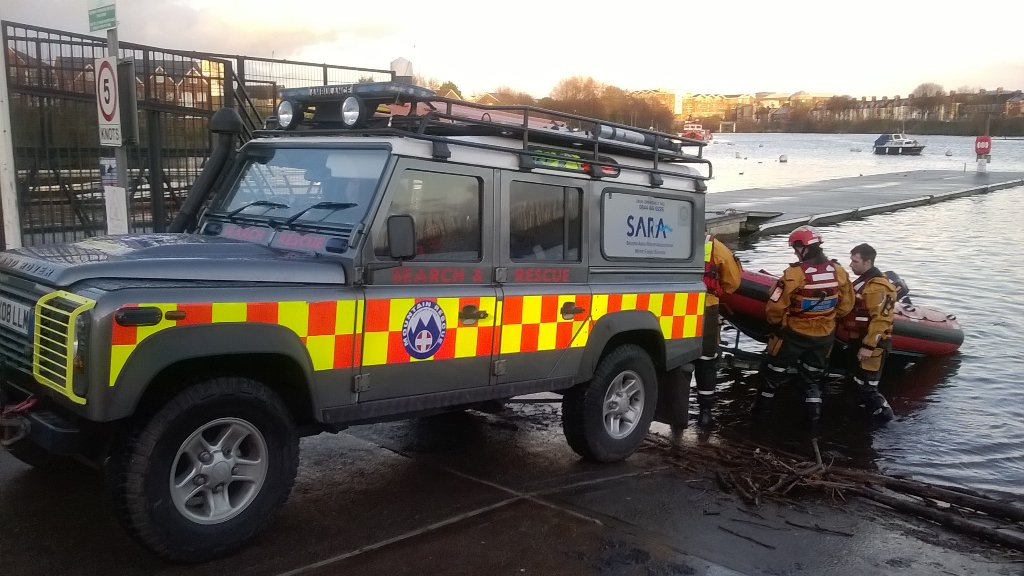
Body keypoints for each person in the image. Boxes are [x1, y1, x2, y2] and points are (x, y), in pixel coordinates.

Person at [753, 225, 853, 435]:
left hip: (793, 334)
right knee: (813, 378)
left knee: (772, 374)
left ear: (801, 248)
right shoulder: (839, 271)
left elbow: (775, 306)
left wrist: (774, 326)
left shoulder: (794, 274)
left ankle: (759, 420)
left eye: (795, 248)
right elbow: (846, 304)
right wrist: (827, 318)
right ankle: (813, 424)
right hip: (824, 336)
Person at [843, 243, 896, 422]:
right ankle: (862, 420)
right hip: (857, 340)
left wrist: (868, 346)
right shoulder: (862, 282)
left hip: (872, 345)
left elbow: (881, 320)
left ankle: (888, 422)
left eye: (855, 261)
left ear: (867, 262)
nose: (851, 265)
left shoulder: (878, 287)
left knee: (869, 388)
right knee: (857, 384)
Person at [696, 233, 743, 427]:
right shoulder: (715, 247)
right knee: (706, 359)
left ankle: (675, 416)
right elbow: (733, 282)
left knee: (676, 360)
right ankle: (705, 414)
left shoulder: (669, 240)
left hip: (673, 306)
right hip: (706, 306)